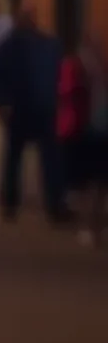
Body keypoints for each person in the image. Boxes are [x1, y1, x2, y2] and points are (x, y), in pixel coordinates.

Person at [0, 1, 70, 225]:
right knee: (17, 159)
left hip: (41, 108)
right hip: (23, 109)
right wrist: (0, 104)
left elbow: (61, 73)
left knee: (47, 159)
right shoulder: (11, 45)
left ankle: (53, 205)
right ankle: (13, 203)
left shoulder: (48, 44)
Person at [76, 39, 108, 246]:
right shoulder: (89, 74)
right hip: (95, 131)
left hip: (96, 131)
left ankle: (91, 228)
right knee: (96, 184)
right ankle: (90, 227)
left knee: (96, 184)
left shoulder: (91, 74)